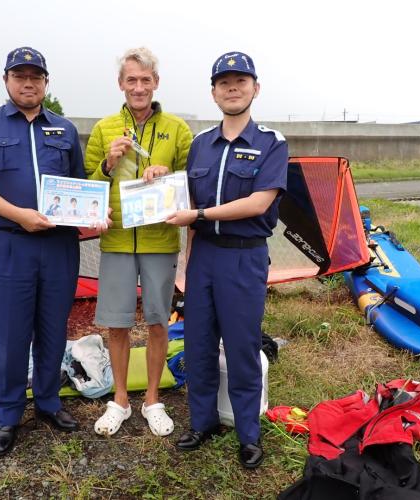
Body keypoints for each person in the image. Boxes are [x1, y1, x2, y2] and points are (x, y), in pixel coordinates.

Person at [0, 46, 102, 456]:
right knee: (11, 334)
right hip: (8, 244)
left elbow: (78, 186)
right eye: (20, 76)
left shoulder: (64, 129)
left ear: (46, 82)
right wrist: (19, 215)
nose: (28, 82)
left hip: (58, 246)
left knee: (53, 330)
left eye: (36, 76)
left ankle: (49, 402)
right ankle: (7, 414)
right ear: (7, 81)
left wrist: (94, 213)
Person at [165, 51, 288, 468]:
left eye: (240, 81)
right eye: (224, 82)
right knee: (197, 344)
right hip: (203, 260)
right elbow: (184, 204)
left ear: (256, 88)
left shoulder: (271, 143)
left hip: (244, 259)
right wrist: (185, 266)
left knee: (241, 345)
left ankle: (248, 432)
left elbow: (258, 203)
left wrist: (198, 215)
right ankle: (201, 422)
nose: (232, 88)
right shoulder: (200, 145)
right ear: (214, 91)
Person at [85, 47, 193, 437]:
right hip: (116, 240)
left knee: (157, 321)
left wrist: (168, 173)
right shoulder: (103, 128)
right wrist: (108, 164)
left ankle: (151, 400)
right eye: (131, 79)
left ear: (156, 83)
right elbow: (89, 188)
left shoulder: (178, 129)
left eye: (145, 79)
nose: (138, 87)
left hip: (160, 239)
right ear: (121, 84)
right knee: (116, 323)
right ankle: (120, 400)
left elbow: (189, 181)